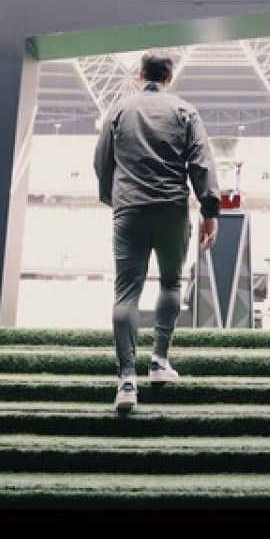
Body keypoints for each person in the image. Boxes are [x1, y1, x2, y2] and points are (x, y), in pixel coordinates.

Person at [93, 48, 221, 413]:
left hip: (129, 209)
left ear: (139, 74)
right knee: (170, 283)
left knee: (126, 293)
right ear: (169, 77)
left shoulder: (118, 110)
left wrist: (113, 198)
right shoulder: (184, 111)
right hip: (172, 211)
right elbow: (201, 164)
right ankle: (159, 362)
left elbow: (101, 161)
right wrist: (209, 211)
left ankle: (127, 380)